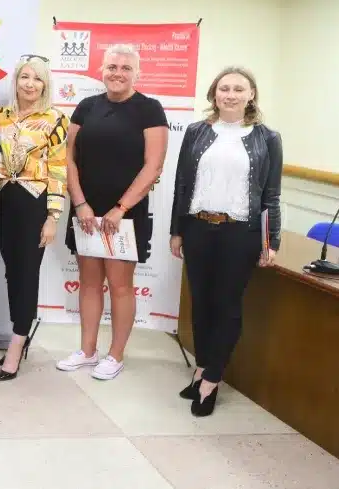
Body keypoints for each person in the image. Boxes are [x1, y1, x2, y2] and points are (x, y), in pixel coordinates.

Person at [170, 66, 281, 417]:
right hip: (198, 228)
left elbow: (271, 195)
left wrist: (270, 241)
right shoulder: (196, 132)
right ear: (214, 94)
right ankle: (202, 366)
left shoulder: (268, 138)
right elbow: (182, 186)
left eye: (238, 89)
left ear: (251, 95)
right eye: (224, 88)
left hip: (240, 233)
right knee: (201, 303)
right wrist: (177, 230)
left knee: (226, 305)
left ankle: (212, 379)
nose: (230, 95)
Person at [59, 44, 168, 380]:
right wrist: (80, 204)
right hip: (86, 212)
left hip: (126, 214)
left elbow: (153, 166)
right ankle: (87, 351)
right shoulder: (86, 107)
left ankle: (115, 355)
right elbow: (68, 158)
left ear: (137, 73)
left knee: (120, 286)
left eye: (125, 68)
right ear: (102, 70)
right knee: (89, 283)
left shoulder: (149, 109)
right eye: (112, 67)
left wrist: (121, 208)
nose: (117, 73)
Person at [0, 55, 68, 381]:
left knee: (27, 273)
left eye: (37, 78)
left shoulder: (56, 119)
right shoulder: (0, 116)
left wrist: (53, 216)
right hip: (3, 200)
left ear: (45, 84)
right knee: (12, 272)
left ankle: (17, 343)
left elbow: (58, 168)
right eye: (24, 77)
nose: (30, 84)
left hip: (35, 202)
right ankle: (21, 331)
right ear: (15, 81)